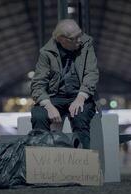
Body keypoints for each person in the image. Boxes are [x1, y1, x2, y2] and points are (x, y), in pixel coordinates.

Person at [30, 19, 99, 149]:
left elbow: (91, 73)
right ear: (62, 39)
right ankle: (42, 160)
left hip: (79, 95)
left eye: (80, 34)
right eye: (75, 38)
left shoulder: (86, 44)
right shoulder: (46, 53)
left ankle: (83, 163)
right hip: (54, 97)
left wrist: (80, 98)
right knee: (39, 116)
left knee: (81, 118)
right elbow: (37, 84)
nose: (80, 39)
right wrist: (49, 106)